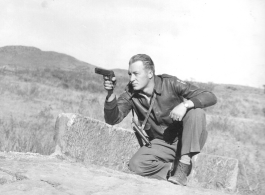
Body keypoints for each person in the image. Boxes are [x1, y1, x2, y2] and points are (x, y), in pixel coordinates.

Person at [103, 54, 217, 186]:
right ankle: (171, 170)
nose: (132, 79)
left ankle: (183, 167)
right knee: (136, 165)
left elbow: (210, 96)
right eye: (130, 74)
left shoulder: (170, 83)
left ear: (150, 73)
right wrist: (110, 93)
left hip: (187, 137)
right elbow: (112, 120)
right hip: (163, 143)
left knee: (196, 111)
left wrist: (185, 105)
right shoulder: (131, 93)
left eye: (136, 74)